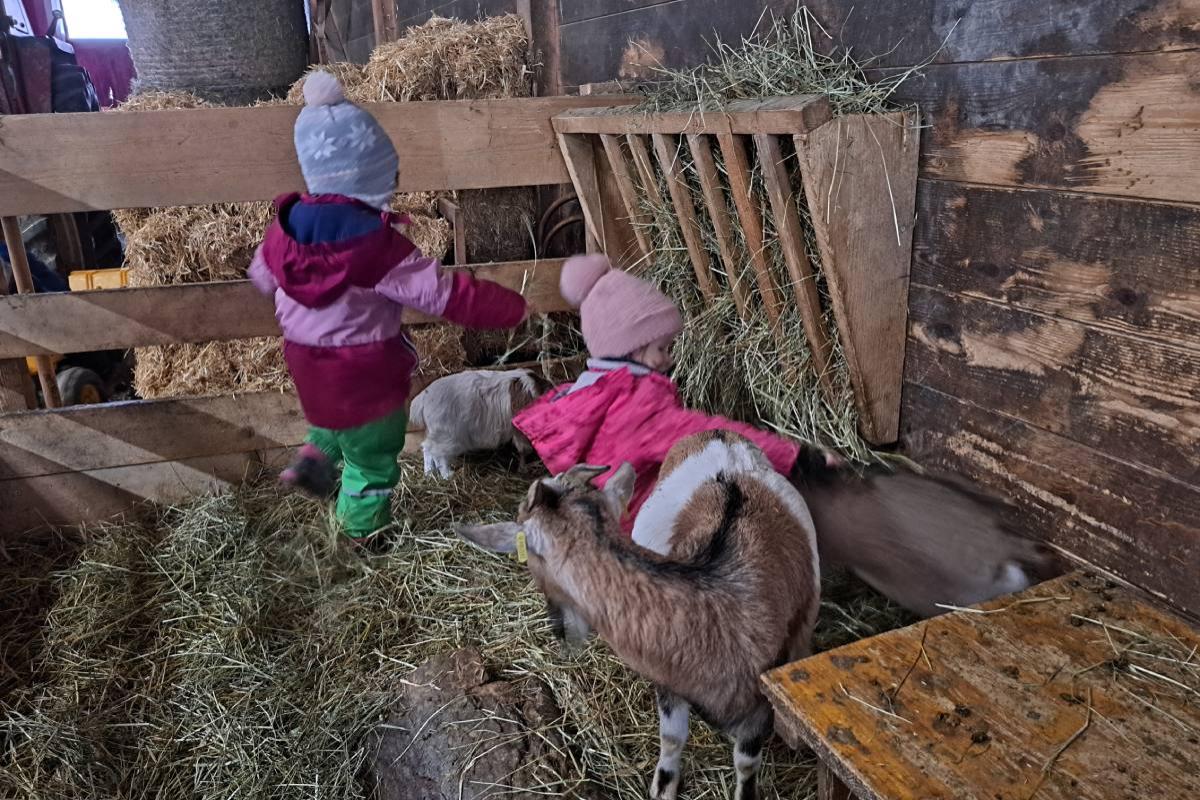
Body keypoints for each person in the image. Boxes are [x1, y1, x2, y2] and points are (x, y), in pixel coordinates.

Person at [249, 71, 527, 544]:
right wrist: (511, 307)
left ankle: (315, 457)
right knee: (374, 451)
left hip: (305, 361)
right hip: (362, 367)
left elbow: (260, 276)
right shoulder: (376, 246)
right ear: (367, 176)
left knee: (335, 418)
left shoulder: (282, 230)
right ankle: (363, 534)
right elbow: (441, 294)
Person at [514, 254, 826, 533]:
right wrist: (794, 458)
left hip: (605, 526)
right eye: (661, 349)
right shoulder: (637, 405)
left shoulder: (587, 393)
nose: (669, 359)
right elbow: (712, 437)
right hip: (647, 531)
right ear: (633, 350)